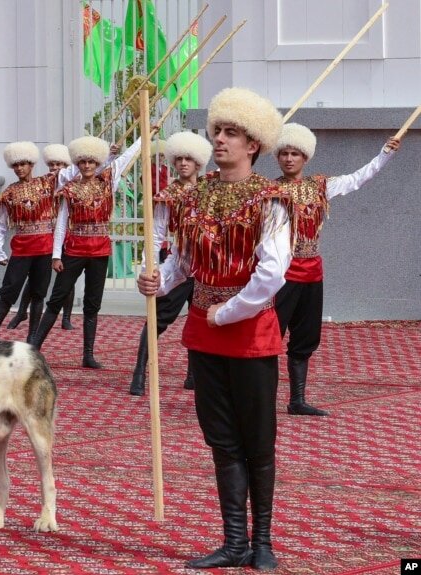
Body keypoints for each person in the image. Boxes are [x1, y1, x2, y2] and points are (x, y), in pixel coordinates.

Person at [137, 88, 288, 570]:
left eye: (231, 133)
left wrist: (228, 312)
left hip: (248, 332)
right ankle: (235, 541)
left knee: (257, 441)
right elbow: (183, 262)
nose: (219, 140)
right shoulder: (193, 197)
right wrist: (157, 280)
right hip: (203, 334)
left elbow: (272, 272)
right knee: (221, 440)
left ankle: (262, 541)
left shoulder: (271, 201)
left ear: (253, 145)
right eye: (216, 131)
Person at [272, 123, 400, 416]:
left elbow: (358, 179)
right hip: (280, 275)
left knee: (305, 337)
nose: (289, 158)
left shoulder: (321, 185)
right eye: (284, 153)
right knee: (269, 336)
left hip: (312, 271)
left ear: (305, 158)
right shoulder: (270, 191)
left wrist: (384, 155)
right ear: (278, 157)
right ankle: (261, 399)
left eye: (295, 153)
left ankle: (297, 400)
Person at [30, 135, 142, 370]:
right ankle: (33, 349)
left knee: (93, 304)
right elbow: (62, 222)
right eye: (83, 162)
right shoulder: (69, 190)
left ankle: (88, 355)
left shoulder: (108, 182)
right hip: (74, 250)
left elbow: (126, 157)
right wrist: (56, 255)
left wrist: (145, 135)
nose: (88, 166)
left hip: (99, 251)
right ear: (78, 164)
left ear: (97, 162)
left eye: (92, 162)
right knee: (56, 299)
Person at [129, 131, 212, 396]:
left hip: (207, 265)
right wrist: (149, 267)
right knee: (158, 319)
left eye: (189, 159)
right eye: (179, 159)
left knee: (200, 321)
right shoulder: (167, 196)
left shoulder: (210, 192)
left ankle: (193, 375)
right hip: (178, 262)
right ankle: (139, 373)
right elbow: (156, 233)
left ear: (199, 162)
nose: (184, 163)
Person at [0, 141, 57, 348]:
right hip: (21, 249)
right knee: (8, 292)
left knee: (39, 293)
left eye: (23, 164)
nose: (19, 169)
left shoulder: (48, 183)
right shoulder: (9, 193)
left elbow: (74, 171)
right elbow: (1, 224)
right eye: (16, 165)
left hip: (45, 248)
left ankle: (32, 339)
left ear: (31, 165)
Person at [7, 143, 76, 331]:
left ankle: (66, 317)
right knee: (35, 277)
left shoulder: (74, 183)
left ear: (67, 166)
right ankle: (22, 311)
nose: (55, 168)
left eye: (59, 164)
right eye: (52, 164)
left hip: (68, 233)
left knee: (66, 275)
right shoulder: (47, 184)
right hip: (47, 235)